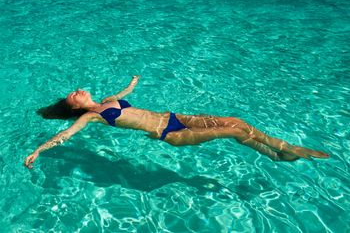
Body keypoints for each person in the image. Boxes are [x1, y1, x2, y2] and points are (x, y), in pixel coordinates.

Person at [24, 75, 330, 168]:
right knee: (231, 130)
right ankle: (286, 148)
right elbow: (67, 134)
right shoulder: (92, 116)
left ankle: (277, 155)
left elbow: (124, 94)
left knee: (235, 122)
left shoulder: (106, 101)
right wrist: (40, 149)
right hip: (168, 133)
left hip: (173, 117)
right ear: (75, 107)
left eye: (75, 91)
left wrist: (132, 84)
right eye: (72, 96)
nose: (76, 91)